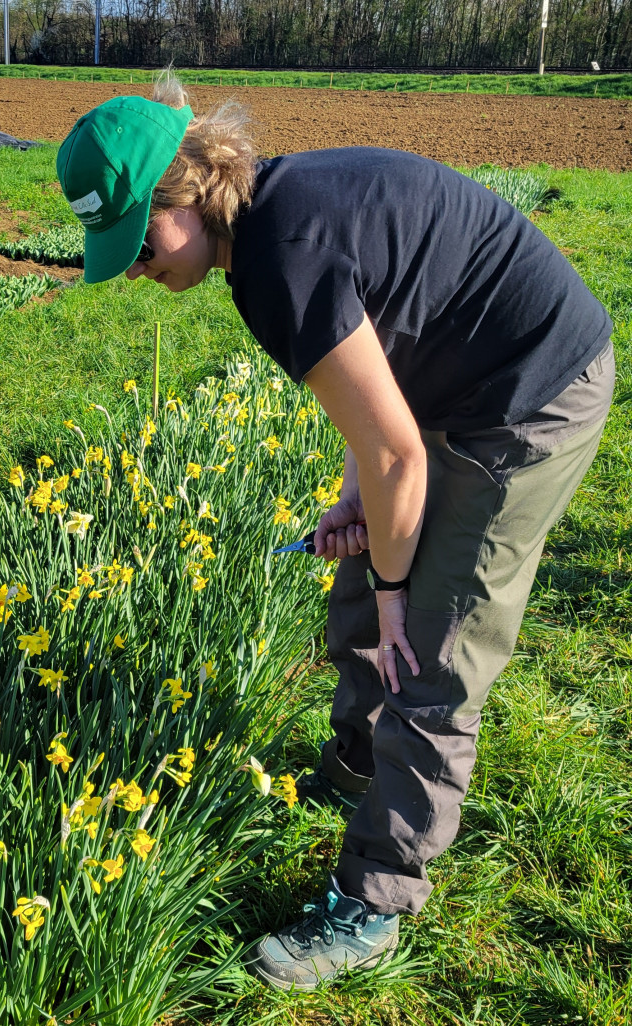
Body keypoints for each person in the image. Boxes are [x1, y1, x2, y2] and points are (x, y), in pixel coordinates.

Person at [56, 76, 614, 990]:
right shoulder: (270, 225)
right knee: (360, 573)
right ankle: (356, 764)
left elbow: (401, 457)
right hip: (451, 380)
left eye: (137, 241)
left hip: (529, 395)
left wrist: (399, 592)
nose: (129, 266)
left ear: (187, 191)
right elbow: (382, 372)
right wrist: (357, 500)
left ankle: (376, 902)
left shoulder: (283, 253)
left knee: (433, 649)